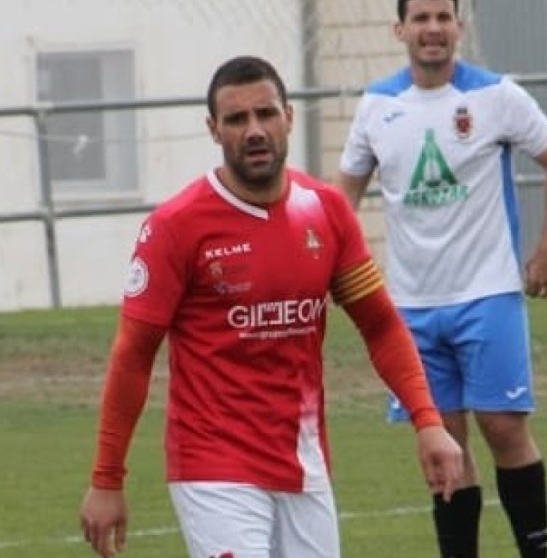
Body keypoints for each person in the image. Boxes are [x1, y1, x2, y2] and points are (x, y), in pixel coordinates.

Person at [78, 55, 463, 558]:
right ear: (213, 130)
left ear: (289, 117)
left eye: (265, 114)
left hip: (304, 463)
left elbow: (381, 326)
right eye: (236, 119)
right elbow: (133, 353)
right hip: (213, 466)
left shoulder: (325, 211)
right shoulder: (177, 226)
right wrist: (107, 477)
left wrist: (428, 422)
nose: (254, 130)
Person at [335, 0, 547, 557]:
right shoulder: (377, 105)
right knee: (442, 443)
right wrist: (331, 266)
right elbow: (342, 195)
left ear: (458, 27)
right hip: (411, 309)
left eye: (443, 17)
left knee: (503, 429)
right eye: (420, 18)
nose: (432, 28)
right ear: (400, 30)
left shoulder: (495, 95)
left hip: (487, 295)